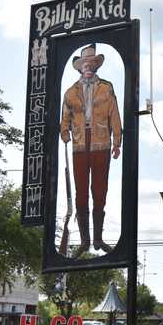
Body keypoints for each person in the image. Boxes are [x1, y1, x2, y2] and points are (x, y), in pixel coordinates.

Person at [60, 44, 122, 257]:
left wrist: (117, 141)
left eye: (91, 64)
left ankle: (98, 238)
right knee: (80, 192)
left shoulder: (106, 88)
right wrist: (64, 131)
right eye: (84, 64)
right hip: (79, 143)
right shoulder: (70, 92)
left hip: (101, 141)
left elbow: (114, 113)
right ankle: (85, 240)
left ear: (95, 66)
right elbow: (65, 115)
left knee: (100, 190)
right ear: (79, 68)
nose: (87, 67)